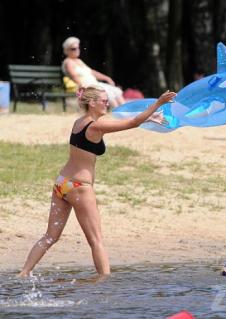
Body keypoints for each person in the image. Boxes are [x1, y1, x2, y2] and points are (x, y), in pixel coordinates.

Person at [18, 85, 176, 277]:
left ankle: (24, 272)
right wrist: (158, 103)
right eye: (104, 100)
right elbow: (132, 122)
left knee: (51, 236)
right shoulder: (95, 126)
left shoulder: (80, 122)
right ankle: (104, 283)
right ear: (91, 103)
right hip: (79, 188)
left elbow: (128, 122)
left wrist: (149, 118)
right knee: (96, 240)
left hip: (62, 184)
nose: (107, 103)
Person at [62, 37, 126, 108]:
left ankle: (127, 113)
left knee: (116, 91)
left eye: (78, 48)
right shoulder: (68, 62)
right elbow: (74, 76)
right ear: (66, 50)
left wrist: (107, 78)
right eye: (73, 49)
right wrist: (83, 86)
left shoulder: (78, 61)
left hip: (95, 84)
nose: (77, 50)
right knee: (108, 93)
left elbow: (91, 72)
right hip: (86, 86)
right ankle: (119, 114)